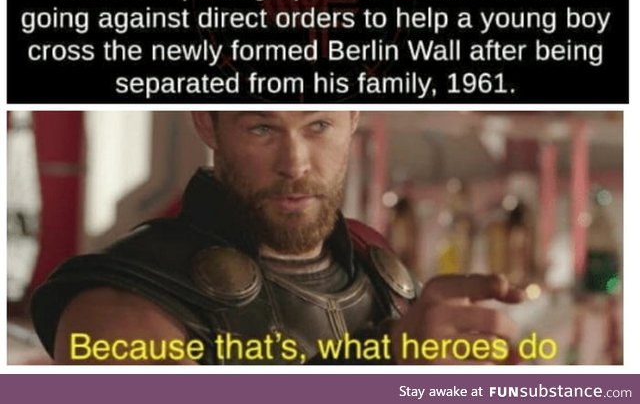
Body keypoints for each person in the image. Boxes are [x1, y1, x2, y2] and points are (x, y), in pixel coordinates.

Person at [31, 111, 522, 366]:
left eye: (318, 126)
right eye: (263, 128)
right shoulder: (119, 309)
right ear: (208, 123)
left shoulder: (378, 270)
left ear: (353, 119)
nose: (295, 164)